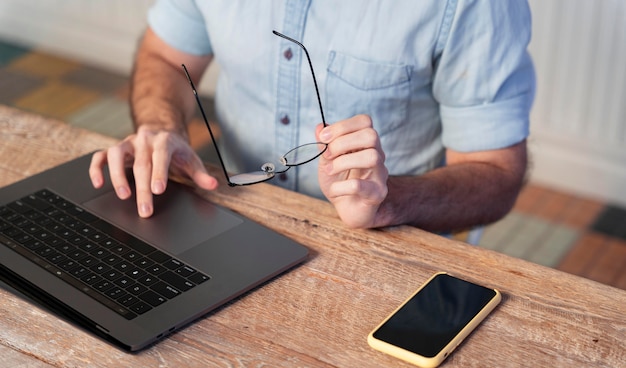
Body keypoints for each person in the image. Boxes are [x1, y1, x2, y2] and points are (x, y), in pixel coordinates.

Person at [89, 0, 535, 232]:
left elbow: (496, 172)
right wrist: (162, 126)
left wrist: (389, 201)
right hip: (239, 217)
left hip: (390, 241)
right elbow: (165, 58)